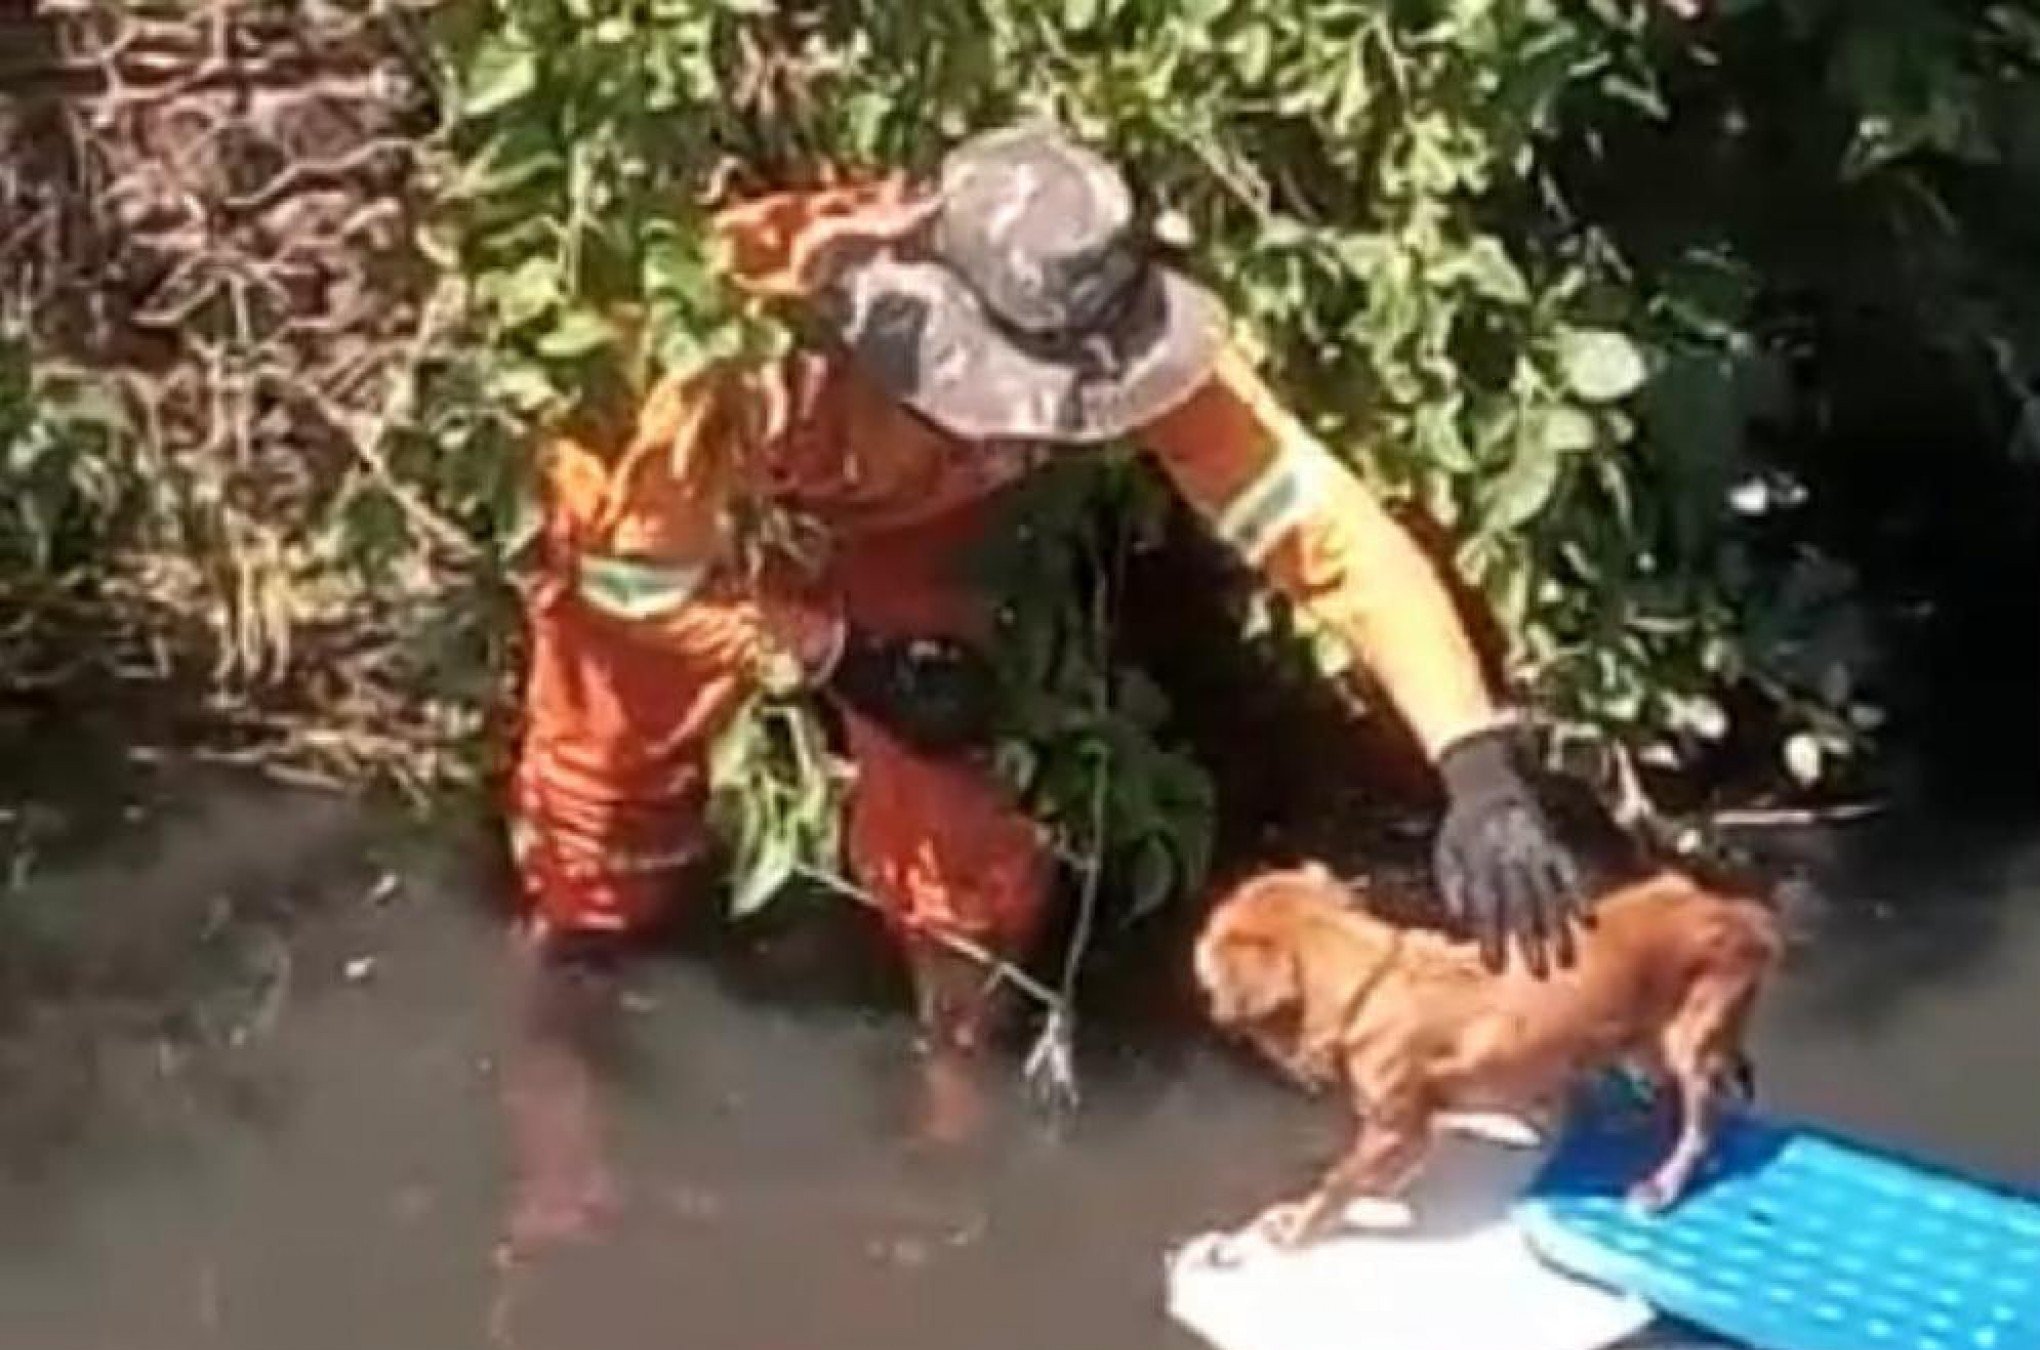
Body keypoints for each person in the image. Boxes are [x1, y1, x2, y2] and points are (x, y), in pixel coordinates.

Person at [502, 117, 1584, 1092]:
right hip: (680, 545)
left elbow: (1319, 521)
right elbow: (633, 581)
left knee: (961, 821)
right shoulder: (730, 343)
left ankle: (953, 1106)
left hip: (904, 529)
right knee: (603, 787)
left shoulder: (1117, 320)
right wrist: (834, 653)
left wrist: (1474, 763)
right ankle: (567, 1020)